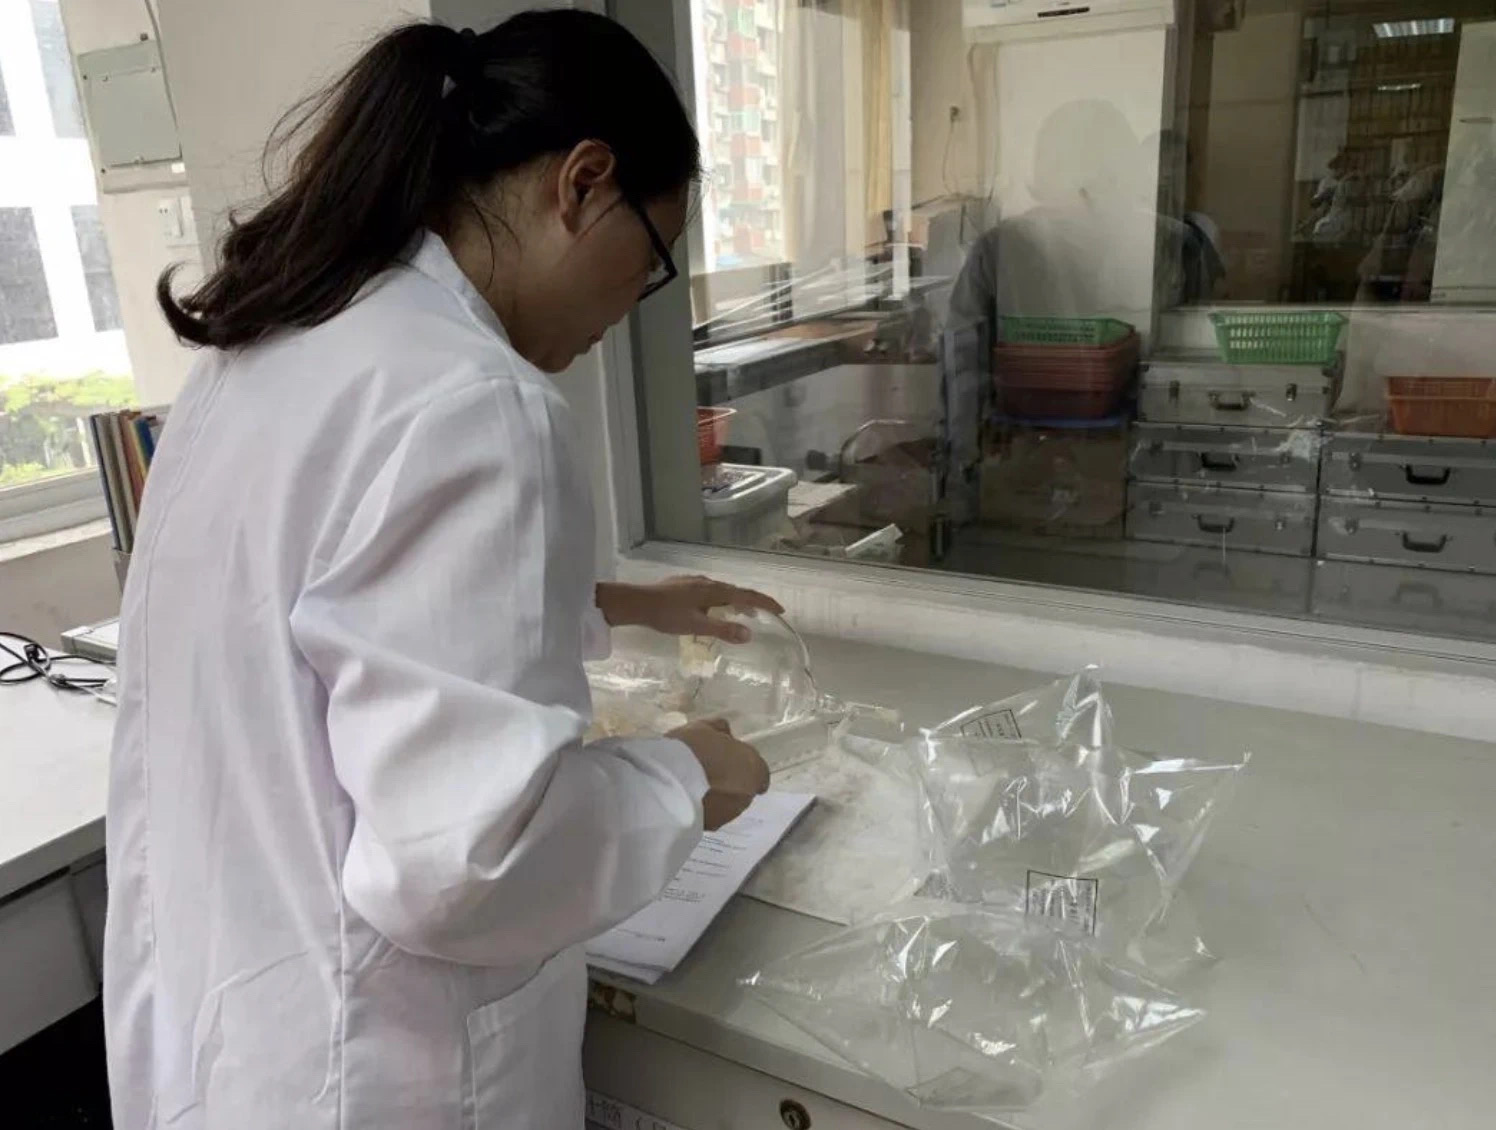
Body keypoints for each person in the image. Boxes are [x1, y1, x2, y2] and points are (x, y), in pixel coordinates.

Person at [104, 13, 775, 1130]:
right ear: (582, 185)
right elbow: (465, 864)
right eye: (650, 265)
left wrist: (611, 601)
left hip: (228, 1030)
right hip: (376, 1071)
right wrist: (686, 777)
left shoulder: (280, 339)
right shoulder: (477, 399)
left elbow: (322, 604)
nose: (626, 313)